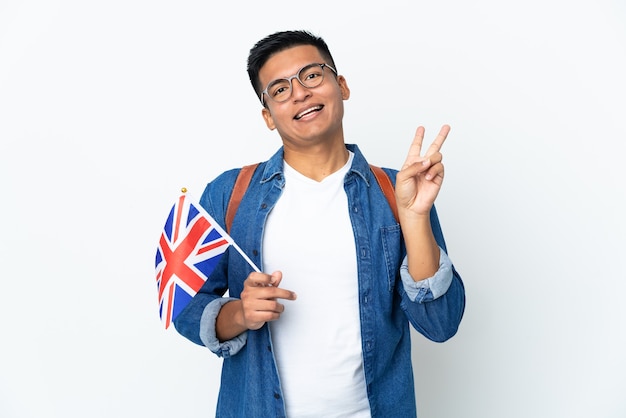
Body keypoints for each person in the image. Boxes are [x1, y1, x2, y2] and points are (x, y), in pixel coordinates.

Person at [173, 30, 466, 418]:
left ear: (340, 85)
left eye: (312, 75)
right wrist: (239, 314)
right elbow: (187, 307)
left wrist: (414, 217)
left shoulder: (398, 193)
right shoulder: (230, 194)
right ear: (268, 116)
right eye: (279, 90)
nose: (299, 93)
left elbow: (441, 324)